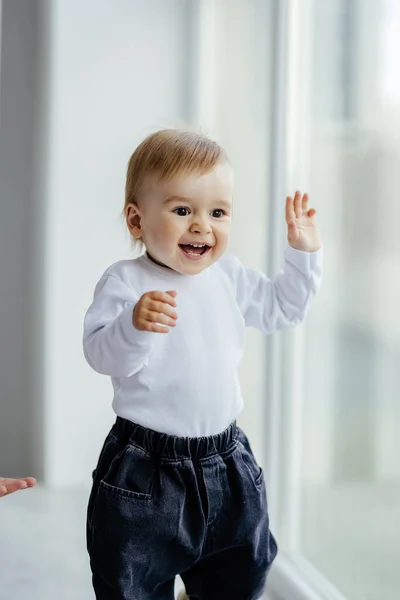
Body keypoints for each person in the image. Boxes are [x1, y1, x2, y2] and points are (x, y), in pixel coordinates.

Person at [83, 129, 323, 600]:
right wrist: (134, 326)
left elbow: (282, 308)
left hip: (226, 461)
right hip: (145, 470)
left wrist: (303, 254)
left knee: (240, 571)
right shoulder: (127, 282)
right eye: (182, 210)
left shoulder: (227, 276)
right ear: (136, 220)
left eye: (217, 212)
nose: (202, 225)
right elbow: (99, 355)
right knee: (130, 579)